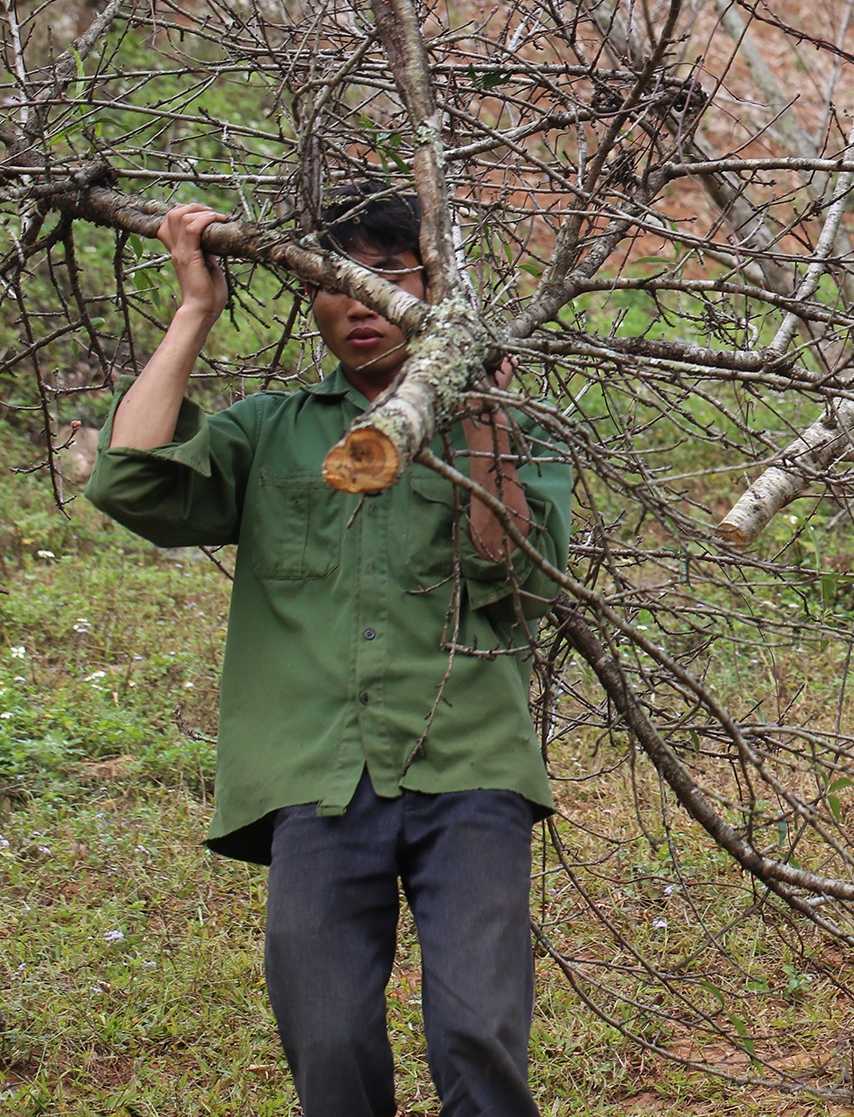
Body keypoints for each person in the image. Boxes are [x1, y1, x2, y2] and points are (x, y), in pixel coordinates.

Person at [85, 190, 572, 1116]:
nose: (357, 305)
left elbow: (521, 589)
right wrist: (195, 307)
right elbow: (130, 480)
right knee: (330, 1038)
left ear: (435, 292)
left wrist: (479, 413)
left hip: (468, 766)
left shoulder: (513, 427)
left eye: (388, 279)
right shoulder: (272, 429)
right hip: (314, 774)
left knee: (477, 1032)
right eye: (334, 283)